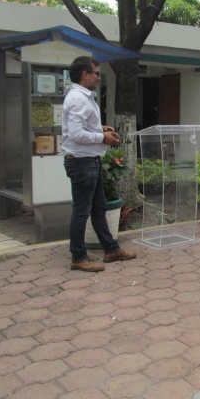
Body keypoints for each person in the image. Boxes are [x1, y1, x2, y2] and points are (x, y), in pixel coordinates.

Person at [62, 56, 136, 272]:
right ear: (85, 74)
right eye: (96, 73)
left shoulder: (85, 97)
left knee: (98, 208)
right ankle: (78, 257)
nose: (98, 77)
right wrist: (102, 138)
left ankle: (111, 249)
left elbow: (82, 127)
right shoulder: (77, 98)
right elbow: (75, 134)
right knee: (82, 211)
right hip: (82, 163)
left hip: (89, 161)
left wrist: (99, 129)